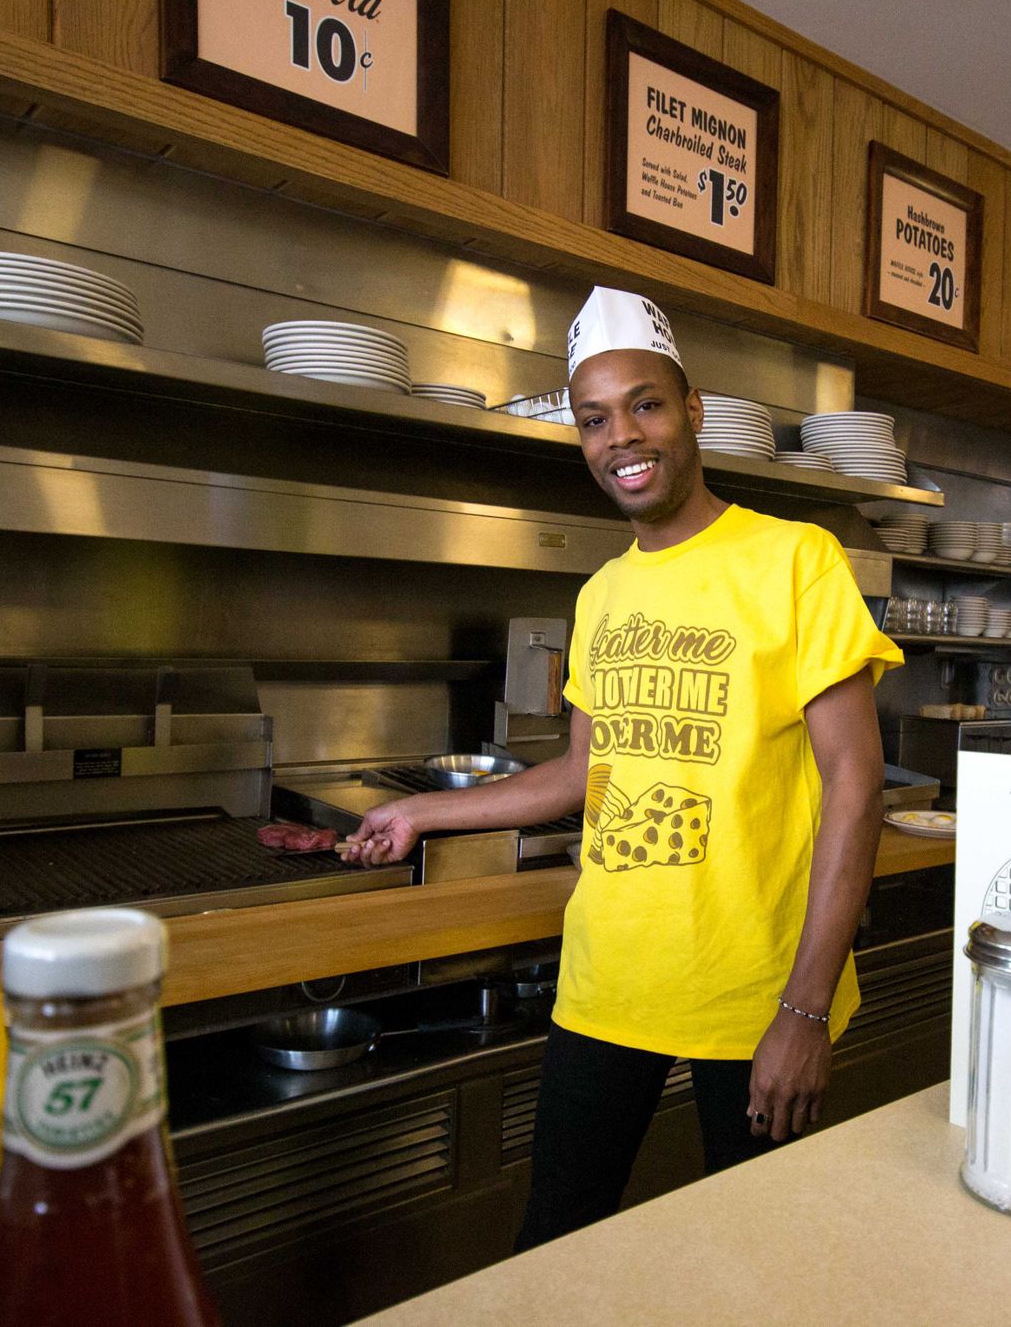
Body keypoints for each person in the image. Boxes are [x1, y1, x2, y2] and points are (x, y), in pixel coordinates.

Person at [339, 286, 902, 1250]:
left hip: (755, 991)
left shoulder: (796, 560)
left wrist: (805, 1008)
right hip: (609, 980)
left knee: (758, 1266)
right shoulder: (602, 592)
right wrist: (424, 810)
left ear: (692, 409)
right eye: (593, 418)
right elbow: (580, 773)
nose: (620, 436)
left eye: (644, 403)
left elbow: (857, 785)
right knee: (557, 1243)